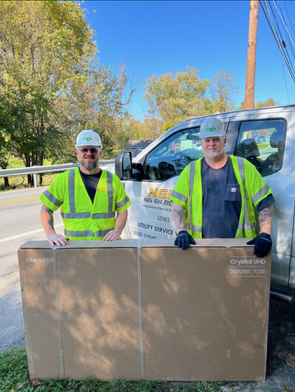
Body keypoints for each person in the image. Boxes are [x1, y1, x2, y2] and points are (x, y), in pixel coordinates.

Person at [170, 117, 275, 257]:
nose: (211, 144)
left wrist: (265, 234)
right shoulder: (191, 171)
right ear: (201, 143)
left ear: (224, 141)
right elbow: (177, 204)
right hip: (201, 248)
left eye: (216, 139)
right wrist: (182, 231)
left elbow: (265, 203)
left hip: (239, 249)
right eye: (207, 140)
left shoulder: (244, 167)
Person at [40, 130, 131, 247]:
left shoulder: (112, 180)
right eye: (84, 150)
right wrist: (51, 234)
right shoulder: (64, 180)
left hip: (107, 247)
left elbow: (122, 210)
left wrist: (117, 231)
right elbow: (46, 208)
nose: (89, 153)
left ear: (100, 153)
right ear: (78, 153)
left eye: (93, 150)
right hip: (74, 249)